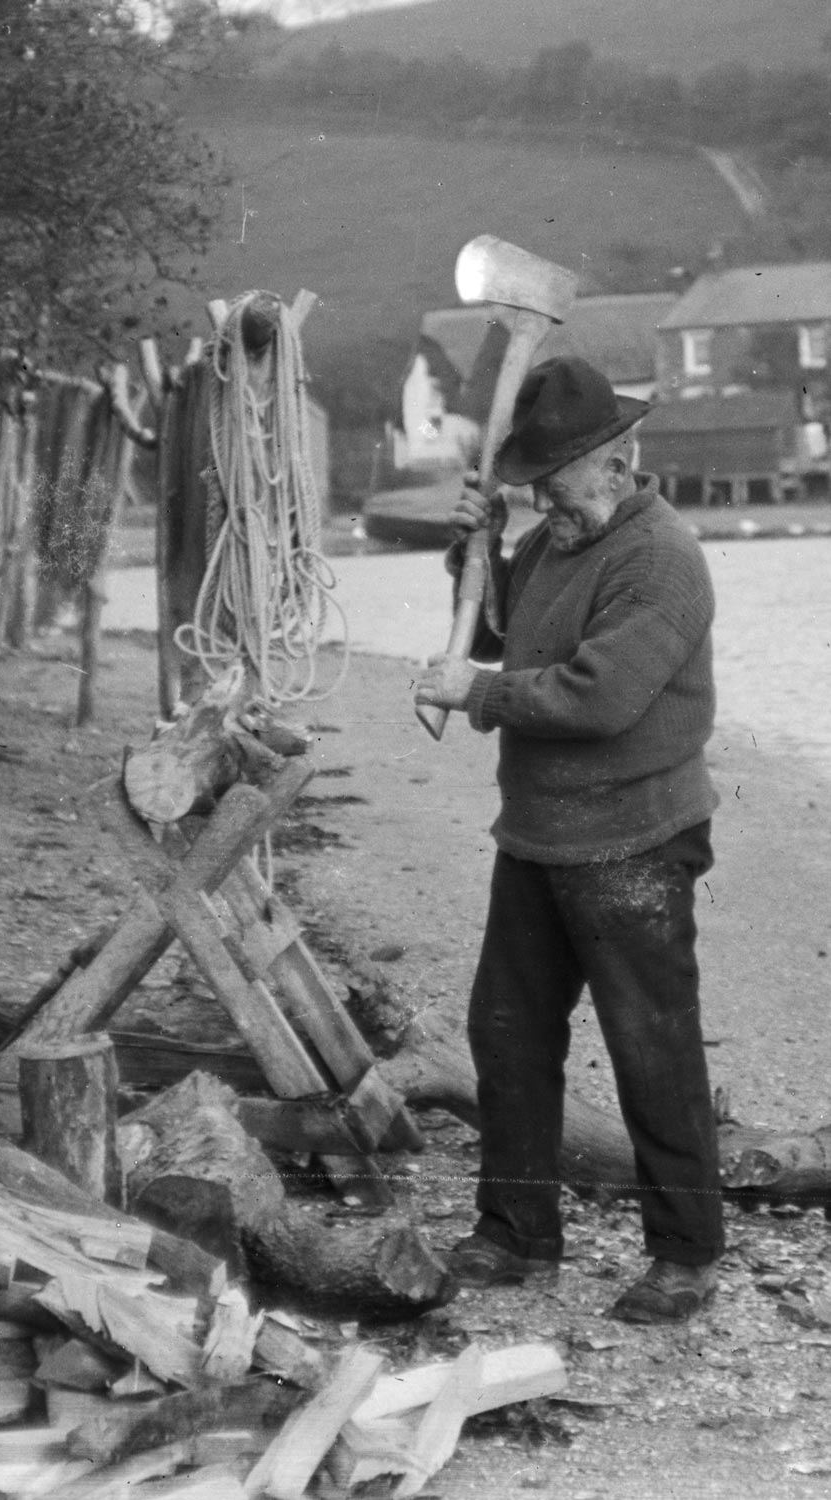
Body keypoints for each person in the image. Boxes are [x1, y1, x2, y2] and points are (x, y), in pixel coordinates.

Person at [413, 354, 723, 1324]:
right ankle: (516, 1234)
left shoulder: (663, 559)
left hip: (636, 840)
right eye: (533, 485)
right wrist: (476, 558)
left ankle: (685, 1254)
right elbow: (515, 634)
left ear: (619, 466)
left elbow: (599, 696)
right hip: (539, 837)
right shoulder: (556, 538)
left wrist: (478, 692)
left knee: (652, 1047)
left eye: (556, 481)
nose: (545, 497)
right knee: (505, 1034)